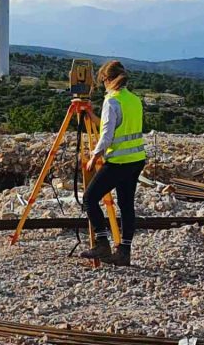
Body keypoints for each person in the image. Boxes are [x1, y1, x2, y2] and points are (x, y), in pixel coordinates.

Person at [78, 60, 147, 266]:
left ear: (107, 79)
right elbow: (116, 127)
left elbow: (107, 136)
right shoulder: (134, 99)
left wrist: (94, 156)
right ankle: (124, 252)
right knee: (126, 205)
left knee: (90, 198)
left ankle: (102, 242)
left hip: (118, 161)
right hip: (136, 160)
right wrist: (92, 116)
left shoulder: (112, 100)